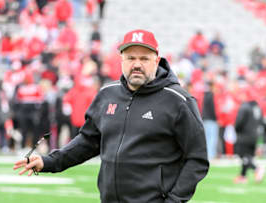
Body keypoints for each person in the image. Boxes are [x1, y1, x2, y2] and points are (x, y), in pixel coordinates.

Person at [13, 29, 209, 203]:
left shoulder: (178, 101)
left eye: (144, 58)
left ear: (157, 61)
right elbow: (88, 142)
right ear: (121, 60)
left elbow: (197, 159)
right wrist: (49, 161)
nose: (137, 64)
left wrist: (174, 200)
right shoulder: (107, 95)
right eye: (131, 58)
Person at [233, 89, 265, 184]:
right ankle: (243, 176)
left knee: (243, 156)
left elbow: (239, 123)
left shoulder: (245, 107)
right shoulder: (257, 107)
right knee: (248, 156)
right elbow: (261, 121)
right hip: (254, 135)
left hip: (244, 135)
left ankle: (257, 169)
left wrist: (236, 130)